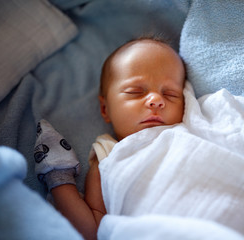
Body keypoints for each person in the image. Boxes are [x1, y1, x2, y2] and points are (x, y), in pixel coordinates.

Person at [33, 37, 186, 240]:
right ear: (105, 109)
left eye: (170, 94)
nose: (156, 100)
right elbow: (94, 230)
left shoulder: (190, 129)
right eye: (136, 92)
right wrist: (59, 180)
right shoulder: (108, 154)